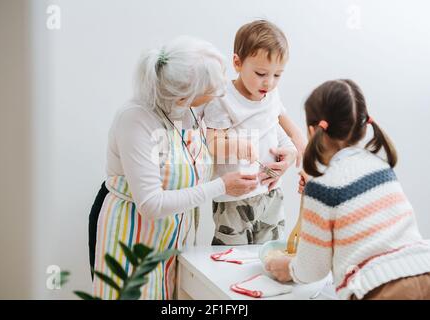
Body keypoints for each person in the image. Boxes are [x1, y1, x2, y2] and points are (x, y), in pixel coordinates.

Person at [88, 36, 259, 299]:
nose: (221, 90)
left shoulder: (189, 111)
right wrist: (223, 186)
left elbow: (190, 165)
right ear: (184, 95)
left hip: (170, 236)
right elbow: (152, 204)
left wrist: (257, 157)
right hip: (129, 233)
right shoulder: (135, 119)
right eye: (214, 88)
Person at [265, 79, 430, 300]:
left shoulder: (323, 188)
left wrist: (288, 268)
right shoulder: (382, 167)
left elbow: (313, 269)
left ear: (313, 130)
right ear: (363, 127)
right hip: (423, 268)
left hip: (379, 290)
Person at [204, 20, 306, 245]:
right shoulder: (223, 99)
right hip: (234, 198)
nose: (269, 83)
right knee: (230, 255)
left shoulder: (271, 94)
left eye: (277, 75)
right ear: (237, 63)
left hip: (271, 193)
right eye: (261, 73)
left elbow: (286, 125)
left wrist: (296, 146)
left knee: (269, 252)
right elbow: (212, 143)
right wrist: (238, 146)